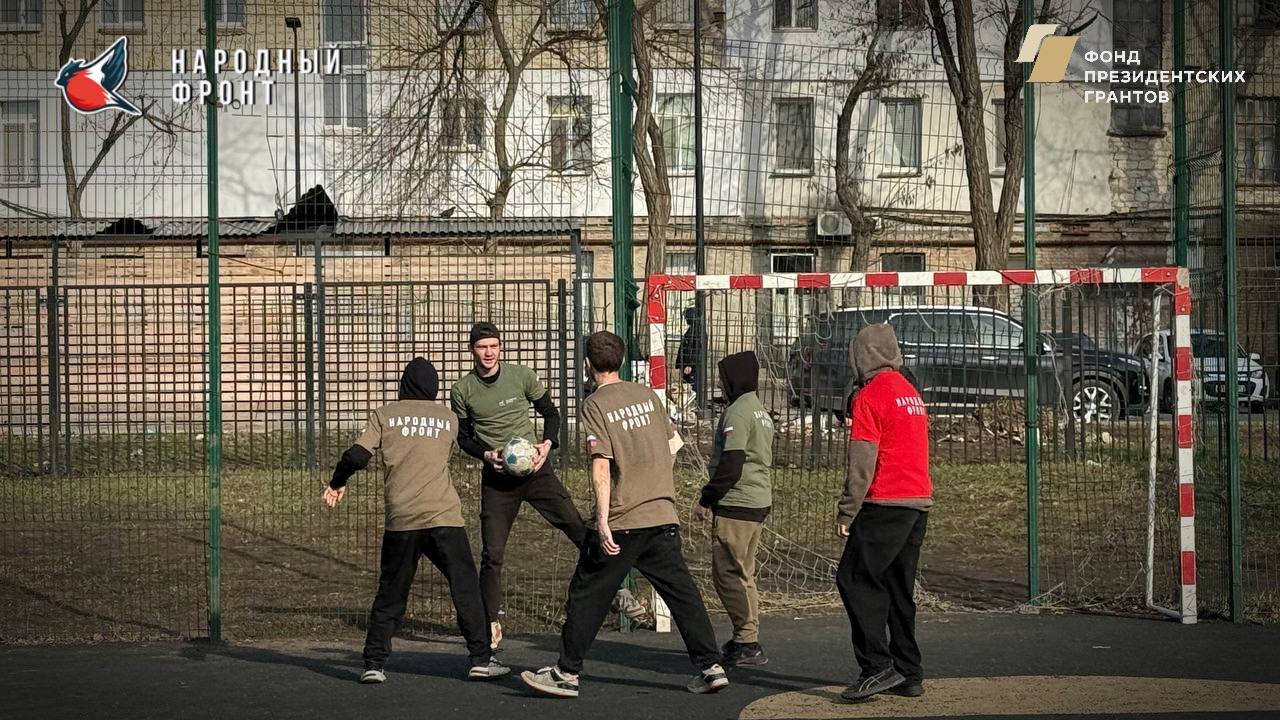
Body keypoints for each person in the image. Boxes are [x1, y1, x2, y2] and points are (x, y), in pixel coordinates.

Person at [520, 331, 729, 698]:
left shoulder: (595, 405)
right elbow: (675, 444)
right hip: (662, 514)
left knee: (586, 593)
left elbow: (601, 465)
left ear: (587, 364)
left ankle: (566, 673)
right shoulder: (647, 395)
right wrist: (655, 479)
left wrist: (602, 519)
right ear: (621, 360)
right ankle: (710, 666)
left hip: (624, 520)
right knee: (682, 594)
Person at [450, 322, 644, 649]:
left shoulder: (521, 376)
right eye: (482, 347)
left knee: (578, 528)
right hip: (498, 479)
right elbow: (463, 437)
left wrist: (546, 445)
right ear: (472, 350)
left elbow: (553, 415)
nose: (488, 353)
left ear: (500, 348)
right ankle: (490, 623)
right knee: (492, 554)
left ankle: (617, 589)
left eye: (494, 346)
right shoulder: (463, 390)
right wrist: (486, 454)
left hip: (536, 471)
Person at [322, 357, 508, 684]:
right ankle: (480, 658)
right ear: (434, 388)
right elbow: (465, 441)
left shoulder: (385, 415)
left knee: (391, 592)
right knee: (465, 586)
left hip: (403, 519)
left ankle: (374, 664)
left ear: (403, 385)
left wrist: (338, 482)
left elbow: (357, 456)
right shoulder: (448, 419)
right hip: (444, 517)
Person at [835, 324, 933, 702]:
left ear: (861, 357)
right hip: (917, 500)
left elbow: (862, 462)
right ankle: (909, 670)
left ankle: (876, 666)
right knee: (897, 587)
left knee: (854, 579)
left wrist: (847, 511)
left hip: (885, 501)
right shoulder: (910, 392)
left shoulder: (870, 396)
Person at [694, 351, 774, 667]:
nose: (723, 386)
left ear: (732, 380)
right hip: (757, 500)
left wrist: (706, 498)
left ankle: (747, 640)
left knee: (727, 574)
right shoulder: (760, 411)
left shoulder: (738, 413)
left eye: (724, 379)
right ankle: (746, 636)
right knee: (744, 573)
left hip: (737, 503)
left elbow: (732, 464)